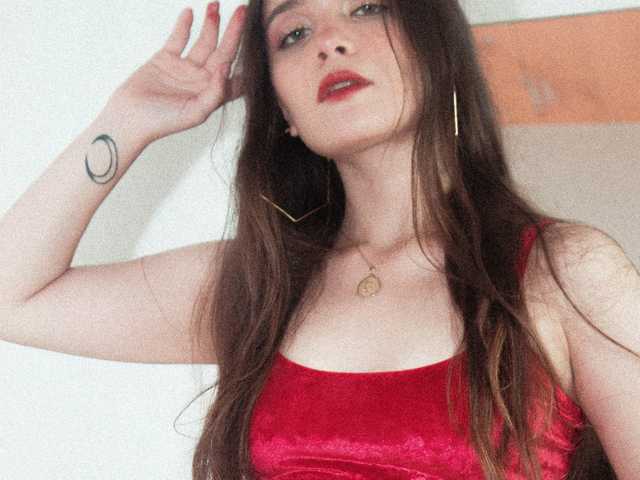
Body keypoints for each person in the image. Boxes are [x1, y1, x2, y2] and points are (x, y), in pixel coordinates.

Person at [0, 1, 638, 479]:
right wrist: (127, 121)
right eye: (294, 33)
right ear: (283, 110)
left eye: (368, 8)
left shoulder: (566, 270)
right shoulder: (259, 282)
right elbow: (13, 295)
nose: (330, 41)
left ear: (438, 47)